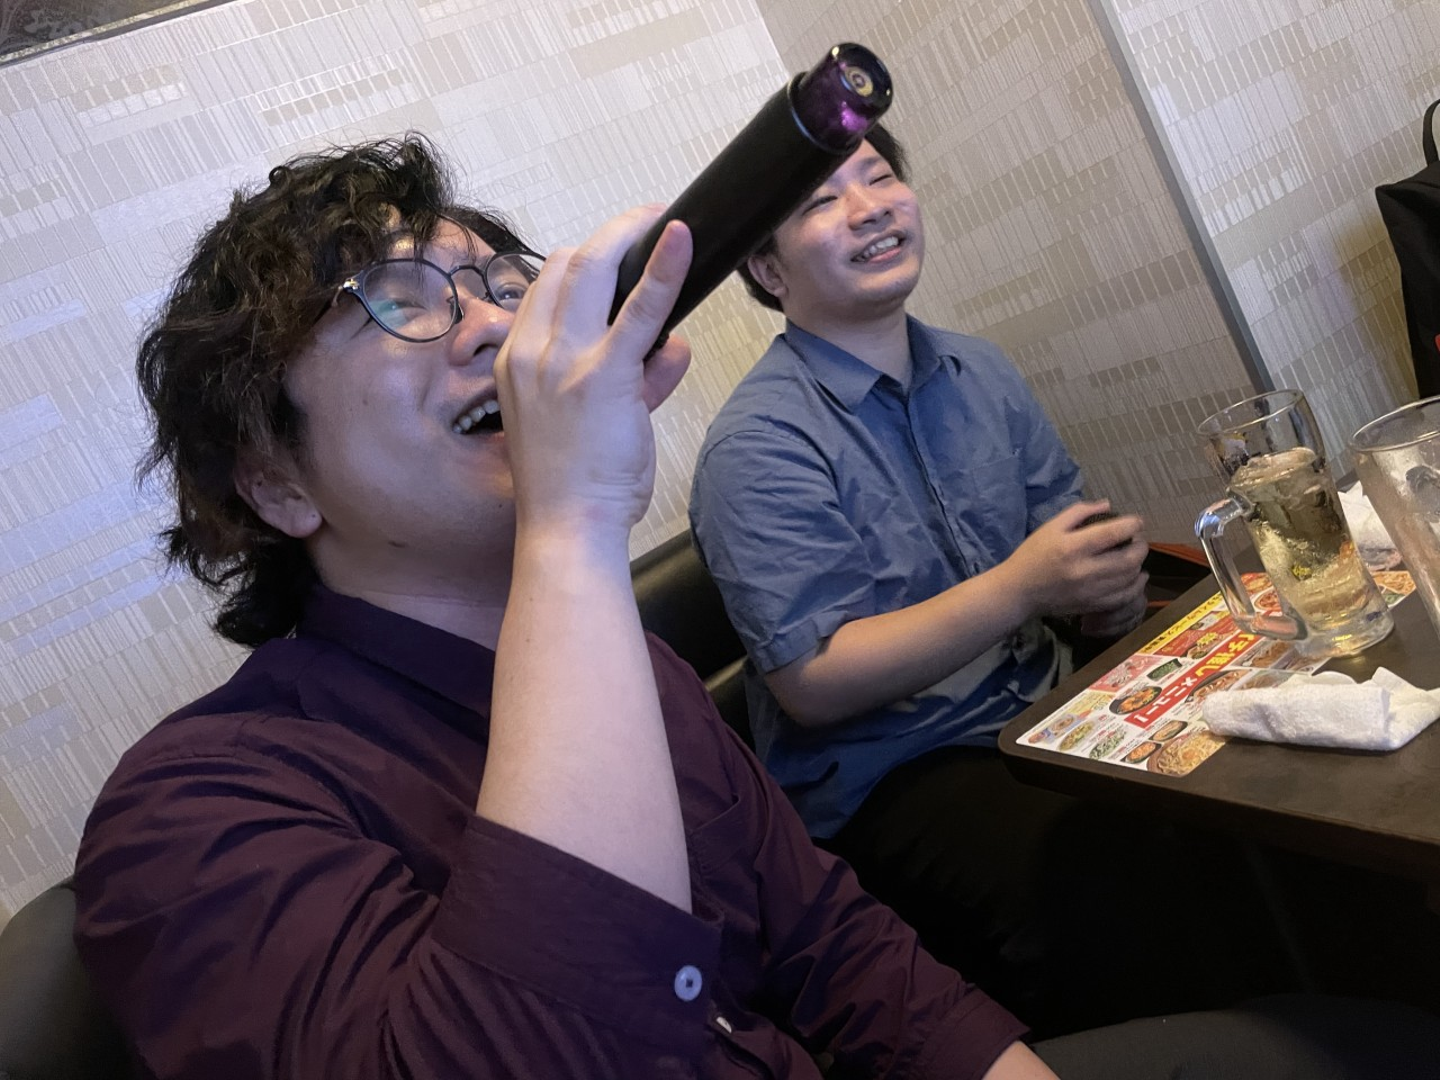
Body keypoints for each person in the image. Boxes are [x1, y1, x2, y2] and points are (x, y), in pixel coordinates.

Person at [72, 134, 1439, 1080]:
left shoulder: (647, 676)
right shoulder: (193, 811)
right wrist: (573, 525)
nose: (496, 323)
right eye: (399, 299)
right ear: (269, 482)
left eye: (499, 282)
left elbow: (836, 951)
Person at [688, 124, 1273, 1033]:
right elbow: (812, 680)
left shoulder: (980, 369)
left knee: (1257, 765)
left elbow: (1066, 555)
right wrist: (1025, 587)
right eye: (823, 200)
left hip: (1046, 703)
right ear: (768, 269)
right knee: (1107, 866)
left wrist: (1105, 589)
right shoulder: (757, 445)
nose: (870, 208)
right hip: (899, 774)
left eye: (880, 177)